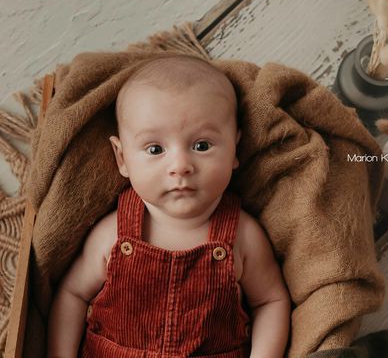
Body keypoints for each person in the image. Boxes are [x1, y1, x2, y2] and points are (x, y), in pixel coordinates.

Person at [47, 54, 291, 358]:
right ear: (122, 158)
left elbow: (270, 301)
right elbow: (73, 294)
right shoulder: (113, 234)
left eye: (201, 145)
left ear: (234, 150)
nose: (180, 166)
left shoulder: (243, 236)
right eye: (155, 149)